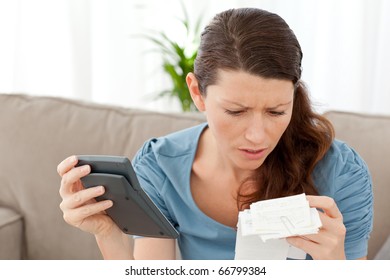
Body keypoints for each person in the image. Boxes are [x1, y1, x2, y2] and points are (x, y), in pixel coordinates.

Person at [57, 8, 373, 260]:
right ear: (197, 92)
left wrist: (335, 264)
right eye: (236, 111)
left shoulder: (341, 172)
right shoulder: (160, 166)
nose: (257, 136)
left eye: (276, 111)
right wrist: (107, 233)